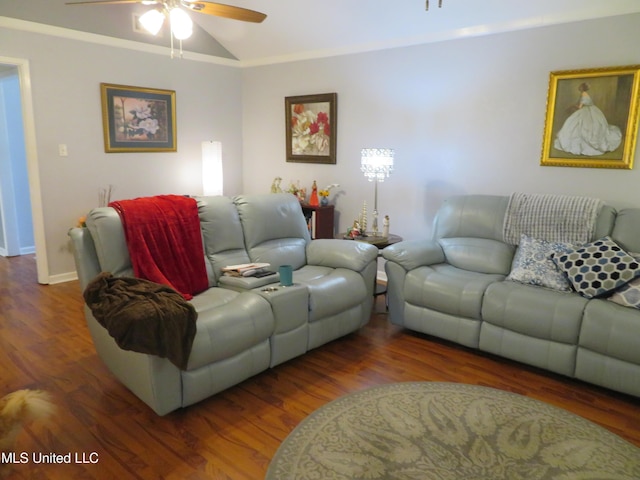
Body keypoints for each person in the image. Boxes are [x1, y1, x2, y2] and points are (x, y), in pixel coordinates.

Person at [553, 82, 622, 156]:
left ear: (582, 88)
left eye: (580, 87)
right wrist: (574, 106)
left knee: (582, 126)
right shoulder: (585, 94)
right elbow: (581, 104)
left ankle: (586, 145)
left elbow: (579, 107)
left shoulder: (584, 94)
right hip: (590, 110)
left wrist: (572, 107)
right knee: (576, 125)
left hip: (587, 111)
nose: (579, 88)